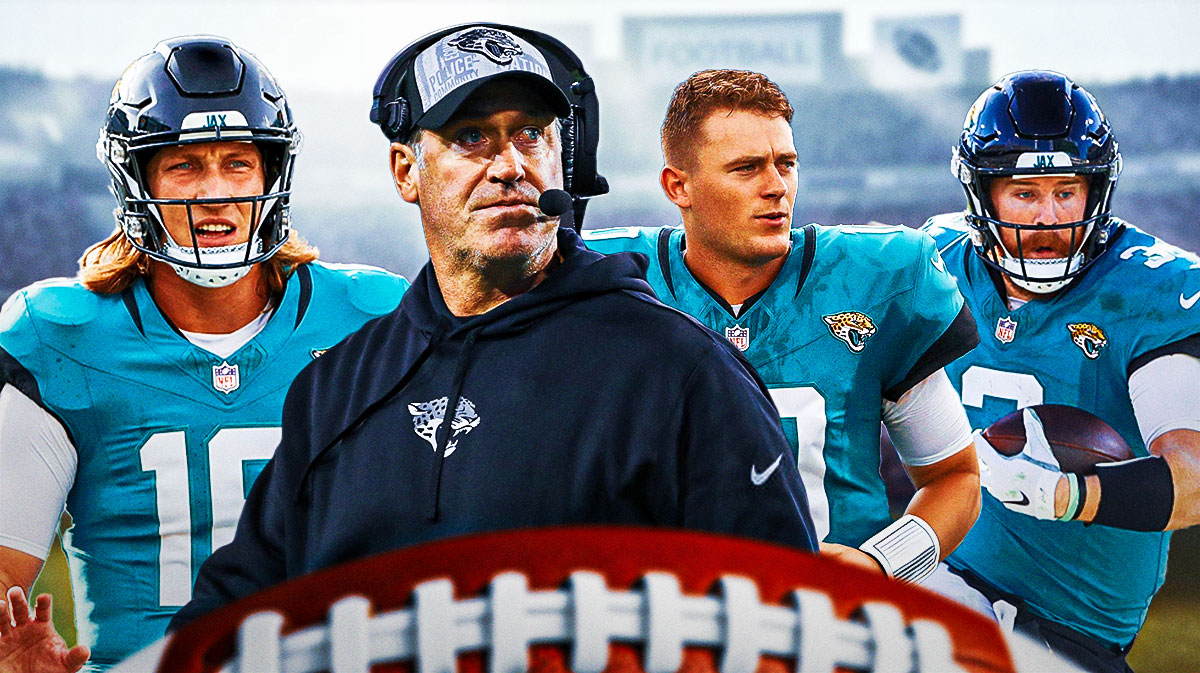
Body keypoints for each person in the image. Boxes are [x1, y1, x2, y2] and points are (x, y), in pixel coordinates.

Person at [169, 25, 816, 630]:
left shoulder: (682, 376)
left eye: (531, 134)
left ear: (563, 161)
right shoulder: (336, 389)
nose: (509, 164)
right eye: (471, 137)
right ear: (405, 171)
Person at [0, 36, 408, 672]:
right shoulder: (57, 338)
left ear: (273, 174)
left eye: (238, 163)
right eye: (185, 165)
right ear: (138, 181)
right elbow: (6, 588)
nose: (216, 192)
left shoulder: (373, 318)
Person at [584, 69, 981, 584]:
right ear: (678, 186)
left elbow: (955, 476)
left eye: (786, 164)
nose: (776, 187)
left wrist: (881, 563)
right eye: (747, 168)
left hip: (832, 635)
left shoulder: (878, 281)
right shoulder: (607, 285)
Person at [922, 70, 1200, 673]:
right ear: (982, 194)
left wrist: (1070, 494)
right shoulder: (939, 261)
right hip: (951, 580)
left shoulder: (1152, 290)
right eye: (1025, 194)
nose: (1048, 218)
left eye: (1066, 190)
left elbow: (1195, 474)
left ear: (1095, 191)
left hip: (1071, 631)